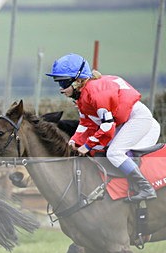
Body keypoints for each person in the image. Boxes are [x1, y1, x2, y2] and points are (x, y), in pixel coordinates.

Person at [46, 53, 160, 202]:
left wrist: (87, 145)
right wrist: (74, 141)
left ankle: (146, 188)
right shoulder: (83, 96)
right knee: (100, 150)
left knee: (114, 153)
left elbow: (107, 126)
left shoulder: (96, 93)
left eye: (63, 83)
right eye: (58, 83)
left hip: (139, 120)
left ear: (78, 81)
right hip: (124, 122)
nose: (61, 89)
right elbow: (86, 124)